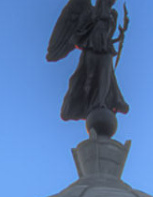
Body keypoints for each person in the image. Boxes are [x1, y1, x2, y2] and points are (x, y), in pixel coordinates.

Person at [46, 0, 128, 136]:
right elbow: (78, 34)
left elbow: (108, 35)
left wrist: (118, 36)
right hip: (91, 48)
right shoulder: (89, 11)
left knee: (105, 76)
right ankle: (93, 104)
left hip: (105, 50)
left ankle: (101, 102)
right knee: (90, 79)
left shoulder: (113, 14)